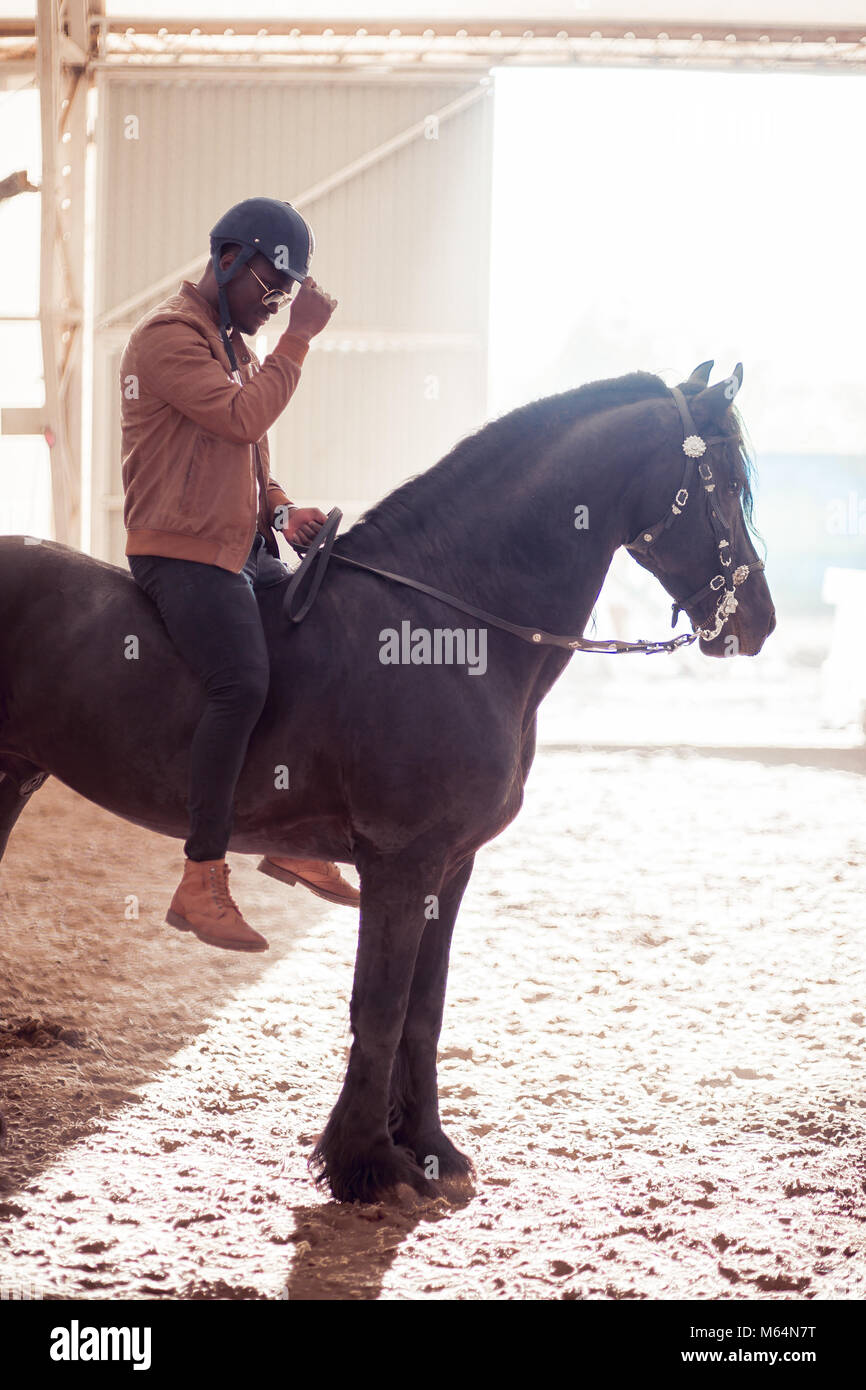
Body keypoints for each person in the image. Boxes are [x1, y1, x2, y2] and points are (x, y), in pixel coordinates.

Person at [119, 196, 360, 954]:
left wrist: (282, 509)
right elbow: (239, 420)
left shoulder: (231, 345)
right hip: (181, 552)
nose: (276, 304)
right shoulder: (168, 338)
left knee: (313, 651)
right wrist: (299, 341)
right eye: (271, 287)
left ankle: (286, 834)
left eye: (287, 294)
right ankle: (199, 878)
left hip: (242, 545)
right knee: (240, 684)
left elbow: (251, 457)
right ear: (226, 260)